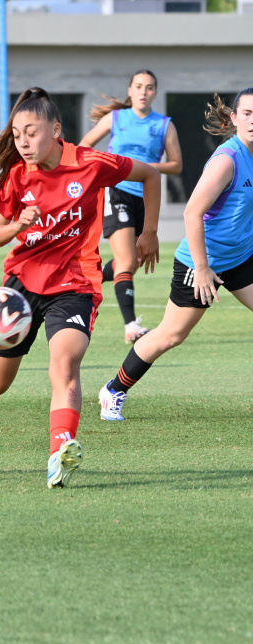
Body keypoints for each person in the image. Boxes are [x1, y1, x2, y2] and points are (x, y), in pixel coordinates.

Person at [0, 88, 161, 488]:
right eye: (16, 134)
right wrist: (18, 225)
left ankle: (59, 454)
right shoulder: (16, 176)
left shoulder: (90, 163)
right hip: (23, 285)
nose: (23, 142)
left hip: (75, 283)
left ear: (56, 129)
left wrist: (148, 232)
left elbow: (149, 175)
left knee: (64, 367)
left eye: (31, 132)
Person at [99, 89, 253, 421]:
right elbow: (191, 213)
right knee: (172, 335)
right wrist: (201, 268)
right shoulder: (227, 160)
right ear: (234, 118)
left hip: (241, 257)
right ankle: (113, 390)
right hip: (202, 261)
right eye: (248, 113)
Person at [80, 70, 183, 343]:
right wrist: (104, 168)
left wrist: (145, 169)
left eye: (149, 87)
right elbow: (85, 146)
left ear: (155, 94)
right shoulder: (115, 118)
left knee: (134, 262)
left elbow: (176, 165)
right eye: (138, 86)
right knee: (126, 261)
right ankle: (131, 327)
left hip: (146, 196)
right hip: (117, 192)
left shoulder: (164, 125)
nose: (143, 91)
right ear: (130, 90)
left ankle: (83, 281)